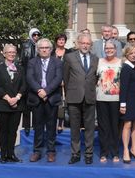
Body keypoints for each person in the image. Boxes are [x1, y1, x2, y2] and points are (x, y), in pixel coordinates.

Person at [63, 32, 99, 164]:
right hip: (74, 97)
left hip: (89, 96)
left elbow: (96, 77)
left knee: (90, 127)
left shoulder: (96, 59)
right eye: (83, 43)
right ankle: (75, 153)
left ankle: (89, 154)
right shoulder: (69, 57)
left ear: (91, 45)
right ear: (78, 44)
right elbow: (66, 77)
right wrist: (70, 92)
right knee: (74, 127)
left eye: (88, 43)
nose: (85, 45)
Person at [26, 38, 63, 163]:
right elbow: (30, 78)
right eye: (42, 48)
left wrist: (46, 91)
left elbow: (58, 78)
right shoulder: (32, 62)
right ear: (38, 49)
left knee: (51, 126)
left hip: (51, 98)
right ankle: (37, 151)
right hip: (37, 98)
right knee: (38, 126)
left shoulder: (57, 62)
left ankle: (51, 151)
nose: (44, 50)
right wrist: (39, 91)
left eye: (47, 47)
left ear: (51, 49)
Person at [0, 44, 27, 163]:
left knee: (13, 130)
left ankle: (11, 154)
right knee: (4, 130)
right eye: (9, 52)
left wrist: (17, 98)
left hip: (17, 104)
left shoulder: (20, 68)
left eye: (14, 52)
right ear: (4, 53)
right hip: (2, 104)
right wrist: (9, 99)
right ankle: (3, 155)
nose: (12, 54)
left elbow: (24, 85)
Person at [95, 39, 122, 163]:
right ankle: (104, 152)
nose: (109, 50)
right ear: (104, 50)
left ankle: (115, 152)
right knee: (103, 127)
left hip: (116, 99)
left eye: (111, 48)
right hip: (101, 99)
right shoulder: (99, 61)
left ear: (115, 50)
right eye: (107, 48)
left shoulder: (121, 62)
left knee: (115, 127)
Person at [120, 44, 135, 163]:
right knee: (127, 125)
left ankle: (134, 149)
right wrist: (122, 104)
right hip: (128, 100)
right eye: (131, 53)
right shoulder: (126, 68)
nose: (134, 55)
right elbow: (123, 87)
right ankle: (125, 150)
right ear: (126, 55)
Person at [20, 28, 41, 136]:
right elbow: (21, 61)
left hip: (38, 77)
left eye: (38, 35)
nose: (36, 37)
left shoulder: (41, 46)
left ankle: (36, 124)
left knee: (37, 102)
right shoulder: (25, 45)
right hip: (27, 76)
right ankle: (26, 125)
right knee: (26, 103)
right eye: (34, 35)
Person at [51, 33, 71, 134]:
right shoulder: (52, 52)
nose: (61, 41)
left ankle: (61, 123)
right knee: (54, 101)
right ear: (56, 41)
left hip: (65, 81)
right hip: (53, 80)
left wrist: (64, 80)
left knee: (63, 103)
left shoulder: (69, 52)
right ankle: (52, 122)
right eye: (59, 40)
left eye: (63, 40)